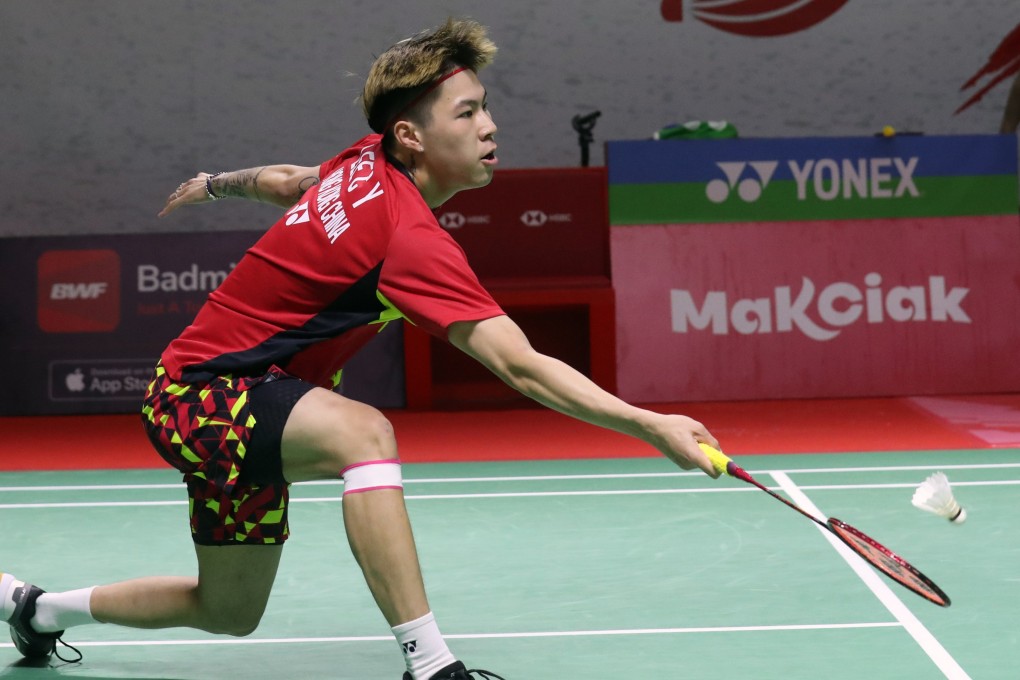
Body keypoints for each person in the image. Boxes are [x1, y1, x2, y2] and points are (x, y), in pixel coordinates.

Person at [2, 17, 721, 680]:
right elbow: (520, 365)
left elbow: (286, 182)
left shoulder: (362, 161)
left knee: (228, 610)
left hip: (219, 400)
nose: (490, 126)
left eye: (484, 106)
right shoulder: (408, 237)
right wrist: (649, 424)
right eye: (467, 113)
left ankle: (38, 611)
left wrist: (218, 184)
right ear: (411, 136)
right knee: (366, 433)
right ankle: (431, 665)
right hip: (205, 395)